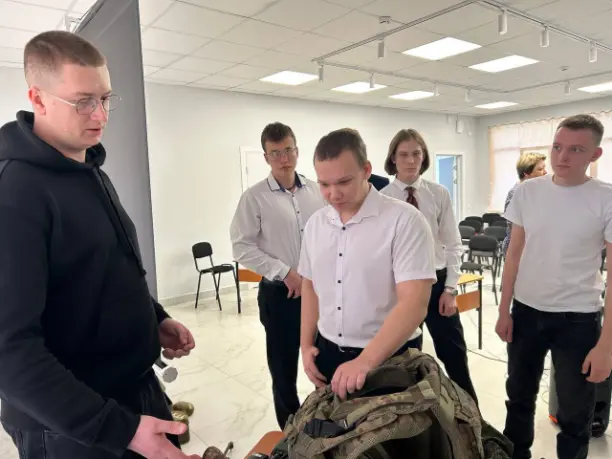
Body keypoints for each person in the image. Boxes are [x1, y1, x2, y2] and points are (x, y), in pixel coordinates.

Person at [0, 31, 198, 459]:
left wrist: (154, 318)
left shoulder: (91, 169)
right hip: (71, 424)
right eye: (83, 101)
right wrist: (118, 429)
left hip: (133, 390)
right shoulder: (15, 193)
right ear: (38, 98)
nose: (101, 114)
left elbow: (107, 268)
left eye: (106, 98)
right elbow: (9, 352)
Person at [496, 114, 612, 459]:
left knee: (575, 413)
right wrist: (503, 310)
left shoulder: (605, 198)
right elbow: (514, 254)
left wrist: (606, 345)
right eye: (558, 147)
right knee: (518, 398)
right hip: (526, 312)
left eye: (576, 149)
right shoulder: (527, 192)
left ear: (595, 154)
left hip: (578, 319)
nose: (563, 157)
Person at [298, 128, 437, 400]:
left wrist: (365, 361)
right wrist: (305, 345)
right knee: (332, 426)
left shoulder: (404, 220)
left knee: (387, 429)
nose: (333, 194)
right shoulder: (316, 224)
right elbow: (310, 285)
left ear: (366, 170)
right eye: (324, 184)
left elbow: (414, 304)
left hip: (390, 357)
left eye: (344, 182)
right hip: (327, 350)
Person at [230, 122, 325, 428]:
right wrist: (284, 272)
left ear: (297, 150)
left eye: (288, 150)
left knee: (324, 361)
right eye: (275, 153)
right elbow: (241, 247)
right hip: (280, 296)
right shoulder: (255, 197)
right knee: (283, 370)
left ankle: (327, 423)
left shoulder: (317, 191)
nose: (284, 158)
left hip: (320, 292)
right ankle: (291, 434)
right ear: (266, 157)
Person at [379, 129, 478, 404]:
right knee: (404, 361)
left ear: (423, 157)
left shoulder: (438, 194)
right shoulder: (382, 199)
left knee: (455, 355)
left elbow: (453, 244)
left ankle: (472, 417)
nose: (411, 160)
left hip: (438, 284)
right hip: (401, 288)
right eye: (403, 154)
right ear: (393, 159)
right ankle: (413, 419)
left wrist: (450, 289)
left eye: (416, 154)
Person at [501, 152, 547, 255]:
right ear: (526, 173)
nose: (545, 172)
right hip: (519, 251)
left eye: (544, 168)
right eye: (540, 169)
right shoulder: (516, 194)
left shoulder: (536, 191)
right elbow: (515, 230)